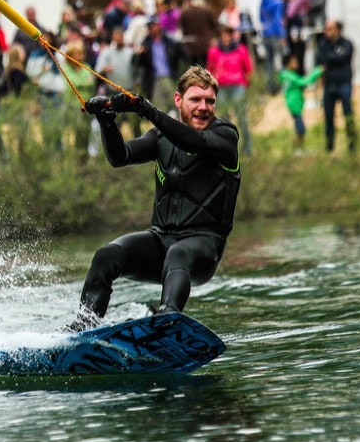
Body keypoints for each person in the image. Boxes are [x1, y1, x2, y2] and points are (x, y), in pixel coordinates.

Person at [67, 65, 240, 331]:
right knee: (107, 255)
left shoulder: (225, 136)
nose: (203, 107)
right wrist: (107, 120)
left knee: (179, 253)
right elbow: (120, 157)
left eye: (210, 101)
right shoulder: (160, 137)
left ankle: (167, 320)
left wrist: (146, 109)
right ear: (178, 100)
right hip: (161, 240)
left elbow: (193, 142)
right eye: (196, 99)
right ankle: (82, 329)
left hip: (203, 249)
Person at [207, 25, 254, 155]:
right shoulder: (214, 51)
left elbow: (248, 69)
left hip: (237, 85)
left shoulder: (240, 50)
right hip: (221, 87)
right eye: (223, 34)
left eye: (228, 34)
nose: (225, 37)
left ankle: (247, 146)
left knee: (241, 116)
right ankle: (227, 147)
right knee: (223, 118)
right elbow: (210, 70)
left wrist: (246, 84)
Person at [315, 20, 356, 153]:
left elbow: (343, 57)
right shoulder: (322, 45)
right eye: (326, 29)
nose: (327, 32)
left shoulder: (347, 44)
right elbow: (319, 60)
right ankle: (330, 145)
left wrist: (329, 60)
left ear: (338, 30)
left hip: (344, 83)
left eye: (330, 29)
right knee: (328, 117)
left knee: (348, 114)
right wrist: (333, 59)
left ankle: (352, 144)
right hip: (329, 86)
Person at [134, 16, 189, 116]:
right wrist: (139, 54)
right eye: (149, 27)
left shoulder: (170, 40)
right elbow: (139, 64)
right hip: (155, 79)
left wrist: (183, 74)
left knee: (178, 105)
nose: (150, 29)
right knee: (159, 110)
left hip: (170, 77)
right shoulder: (146, 43)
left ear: (158, 26)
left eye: (152, 26)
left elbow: (184, 56)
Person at [277, 54, 324, 152]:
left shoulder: (287, 75)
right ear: (288, 64)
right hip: (294, 105)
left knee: (299, 127)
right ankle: (297, 149)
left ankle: (300, 149)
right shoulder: (289, 76)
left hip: (296, 104)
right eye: (294, 61)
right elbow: (304, 82)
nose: (296, 63)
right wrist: (318, 71)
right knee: (300, 128)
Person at [259, 0, 287, 95]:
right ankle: (284, 85)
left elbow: (261, 17)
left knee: (269, 62)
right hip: (276, 33)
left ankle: (270, 87)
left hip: (266, 33)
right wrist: (282, 35)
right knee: (281, 60)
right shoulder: (278, 0)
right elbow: (278, 19)